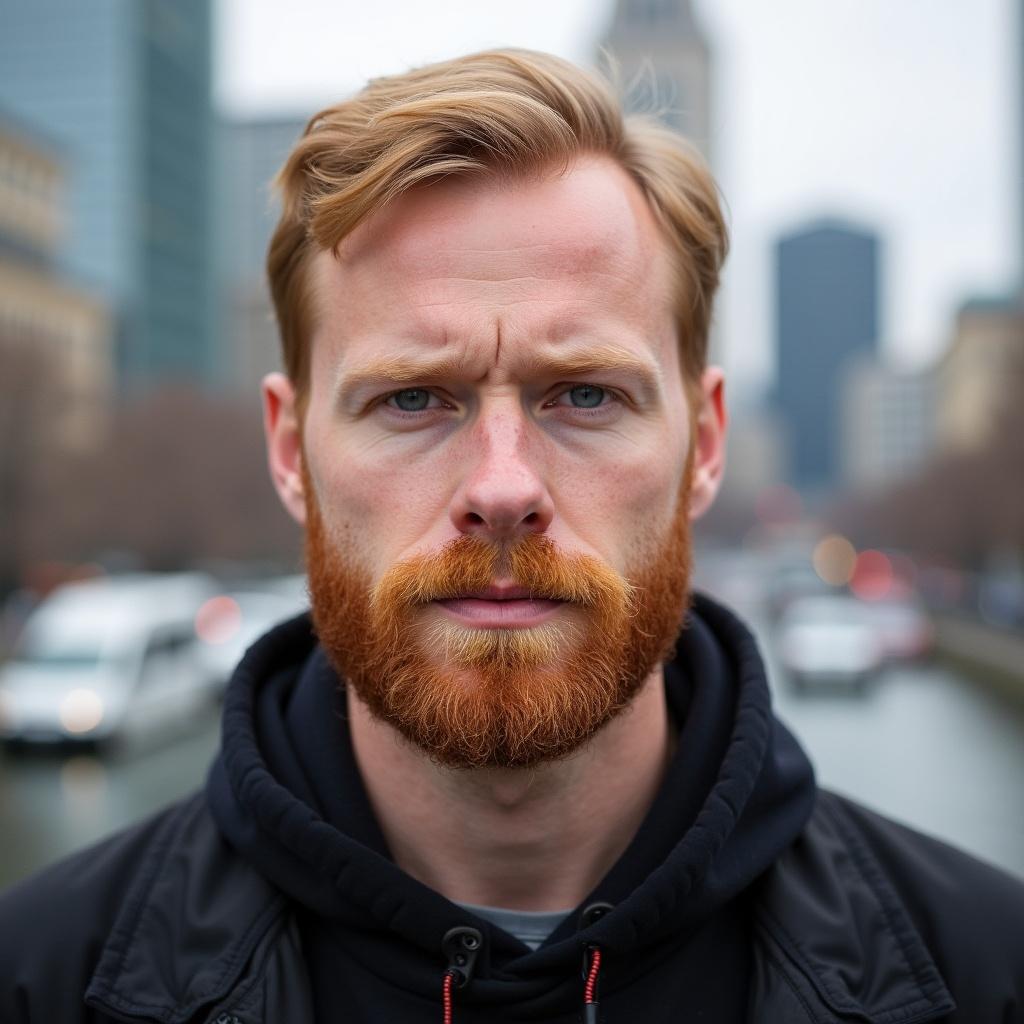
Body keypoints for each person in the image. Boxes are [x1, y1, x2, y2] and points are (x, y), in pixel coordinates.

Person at [1, 48, 1023, 1024]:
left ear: (705, 443)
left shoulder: (986, 970)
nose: (500, 488)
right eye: (411, 399)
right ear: (289, 451)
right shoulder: (39, 978)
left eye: (583, 393)